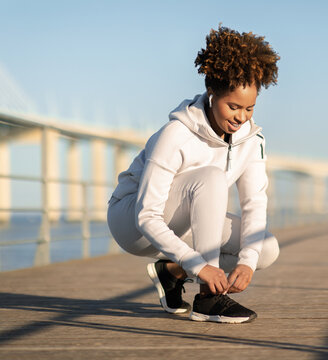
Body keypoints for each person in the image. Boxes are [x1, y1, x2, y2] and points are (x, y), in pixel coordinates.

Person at [107, 26, 280, 324]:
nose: (241, 117)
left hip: (184, 220)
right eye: (234, 106)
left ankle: (171, 272)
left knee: (264, 249)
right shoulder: (176, 134)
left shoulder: (252, 141)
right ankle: (207, 299)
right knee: (211, 177)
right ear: (212, 92)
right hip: (132, 220)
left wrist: (247, 263)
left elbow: (254, 203)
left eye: (250, 108)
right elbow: (147, 216)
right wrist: (200, 266)